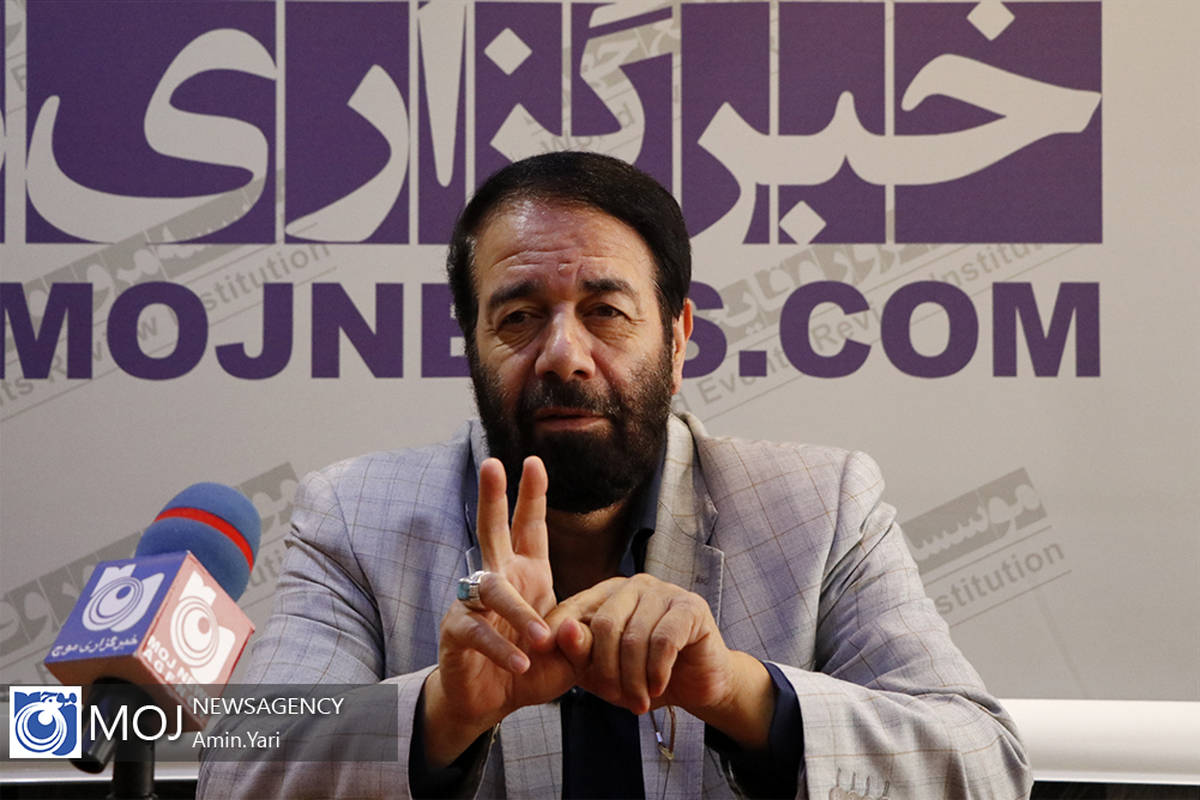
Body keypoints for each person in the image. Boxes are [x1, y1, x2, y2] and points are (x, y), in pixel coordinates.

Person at [198, 152, 1031, 799]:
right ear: (473, 345)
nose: (563, 354)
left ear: (677, 338)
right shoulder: (354, 516)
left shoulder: (821, 507)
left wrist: (739, 693)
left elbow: (985, 766)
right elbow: (240, 768)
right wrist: (441, 714)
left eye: (606, 312)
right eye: (520, 316)